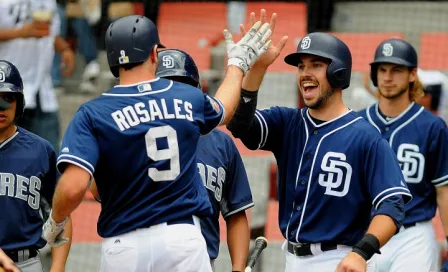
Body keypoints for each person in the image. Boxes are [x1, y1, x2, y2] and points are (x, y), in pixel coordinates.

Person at [41, 14, 272, 272]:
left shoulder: (92, 113)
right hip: (181, 239)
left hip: (123, 244)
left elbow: (74, 189)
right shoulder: (186, 96)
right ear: (154, 53)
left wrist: (56, 221)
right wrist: (237, 64)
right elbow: (225, 109)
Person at [226, 12, 412, 272]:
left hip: (339, 260)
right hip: (291, 258)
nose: (305, 73)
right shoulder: (287, 122)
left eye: (315, 65)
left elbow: (392, 204)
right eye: (301, 66)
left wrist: (361, 253)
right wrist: (257, 68)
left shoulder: (366, 137)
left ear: (338, 72)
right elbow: (239, 125)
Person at [155, 49, 254, 271]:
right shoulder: (137, 136)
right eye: (166, 84)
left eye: (182, 85)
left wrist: (238, 268)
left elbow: (236, 213)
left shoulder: (221, 143)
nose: (175, 92)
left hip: (200, 262)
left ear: (198, 92)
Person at [358, 38, 448, 272]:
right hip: (363, 234)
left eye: (396, 70)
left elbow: (444, 192)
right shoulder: (356, 123)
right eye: (382, 70)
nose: (387, 77)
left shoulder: (432, 127)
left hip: (414, 235)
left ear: (412, 74)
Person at [0, 60, 72, 272]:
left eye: (8, 98)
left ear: (19, 103)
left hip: (27, 263)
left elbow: (61, 212)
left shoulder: (40, 150)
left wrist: (58, 267)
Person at [0, 0, 75, 152]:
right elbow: (31, 30)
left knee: (49, 156)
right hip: (6, 88)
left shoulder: (48, 1)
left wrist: (64, 48)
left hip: (41, 90)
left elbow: (48, 32)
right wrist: (21, 32)